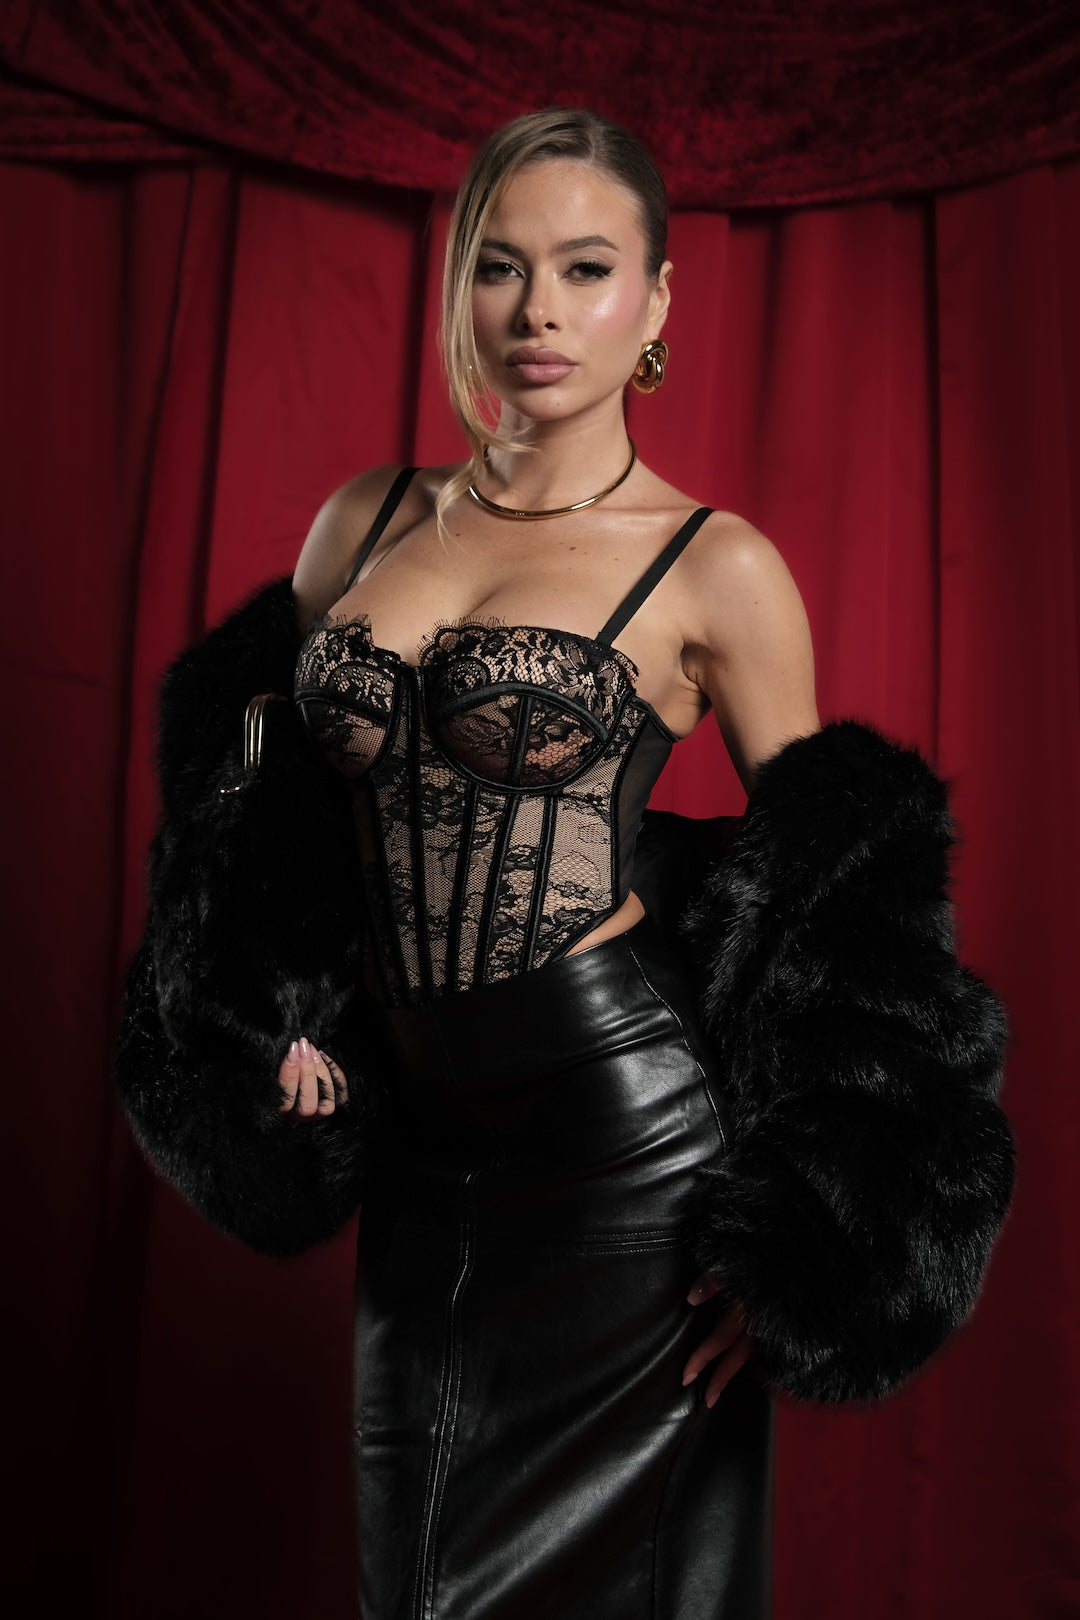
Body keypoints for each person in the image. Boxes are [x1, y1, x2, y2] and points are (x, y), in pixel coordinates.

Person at [117, 109, 1015, 1620]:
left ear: (654, 301)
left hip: (625, 1156)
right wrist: (263, 1028)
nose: (538, 310)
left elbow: (846, 908)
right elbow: (259, 831)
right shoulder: (363, 521)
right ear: (460, 285)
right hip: (424, 1154)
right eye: (502, 266)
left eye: (586, 270)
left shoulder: (715, 565)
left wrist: (817, 1232)